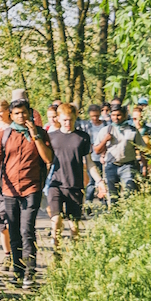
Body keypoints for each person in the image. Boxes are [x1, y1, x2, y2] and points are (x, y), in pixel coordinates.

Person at [0, 90, 53, 289]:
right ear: (11, 115)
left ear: (30, 114)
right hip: (9, 189)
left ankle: (30, 272)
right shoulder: (5, 135)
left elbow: (48, 158)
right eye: (17, 113)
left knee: (27, 230)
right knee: (13, 231)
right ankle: (17, 270)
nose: (21, 116)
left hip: (32, 188)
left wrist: (35, 136)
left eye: (24, 113)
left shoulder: (41, 133)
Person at [45, 102, 95, 247]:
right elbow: (46, 161)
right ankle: (57, 252)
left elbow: (89, 162)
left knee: (74, 225)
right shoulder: (51, 137)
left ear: (75, 118)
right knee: (56, 220)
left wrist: (99, 181)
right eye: (65, 120)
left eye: (71, 119)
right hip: (56, 183)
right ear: (58, 118)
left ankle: (75, 253)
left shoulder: (82, 137)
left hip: (75, 184)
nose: (68, 123)